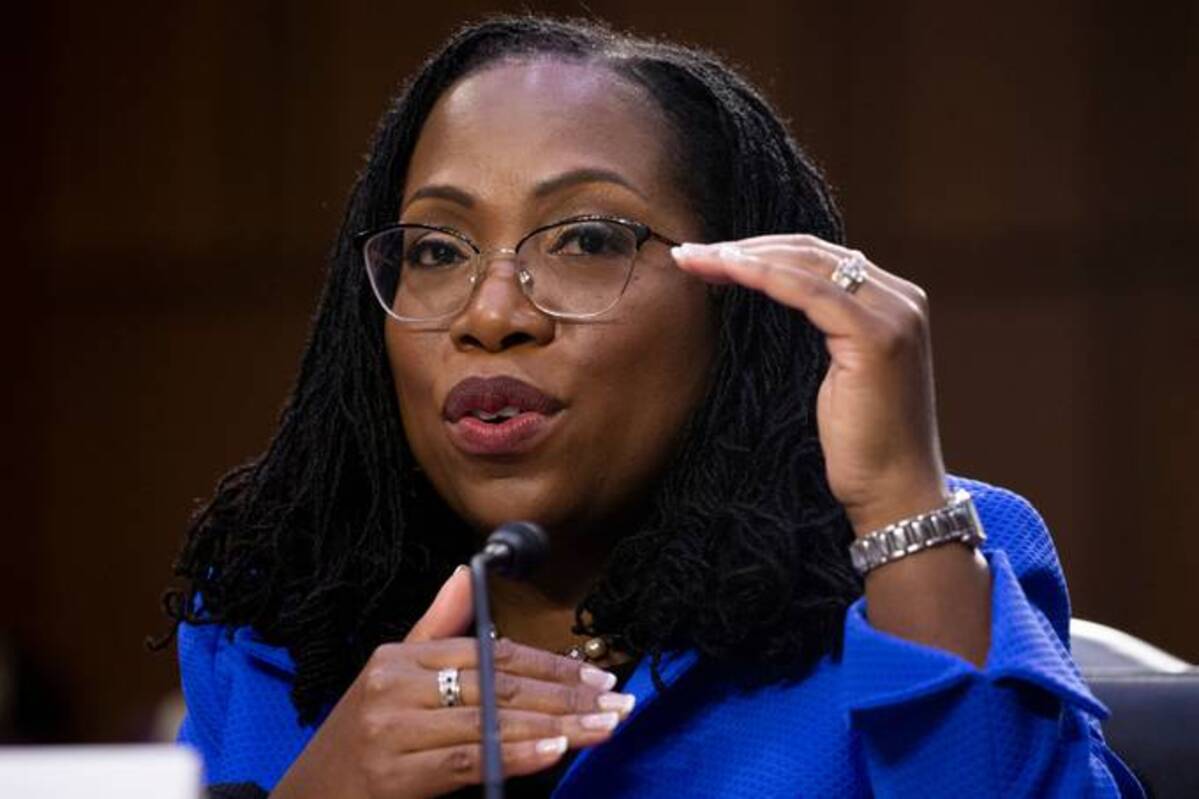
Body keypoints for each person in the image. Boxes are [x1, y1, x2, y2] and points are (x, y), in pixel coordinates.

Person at [162, 15, 1144, 798]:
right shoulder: (270, 609)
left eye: (584, 239)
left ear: (738, 297)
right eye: (435, 250)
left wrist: (893, 492)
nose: (492, 313)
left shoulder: (922, 553)